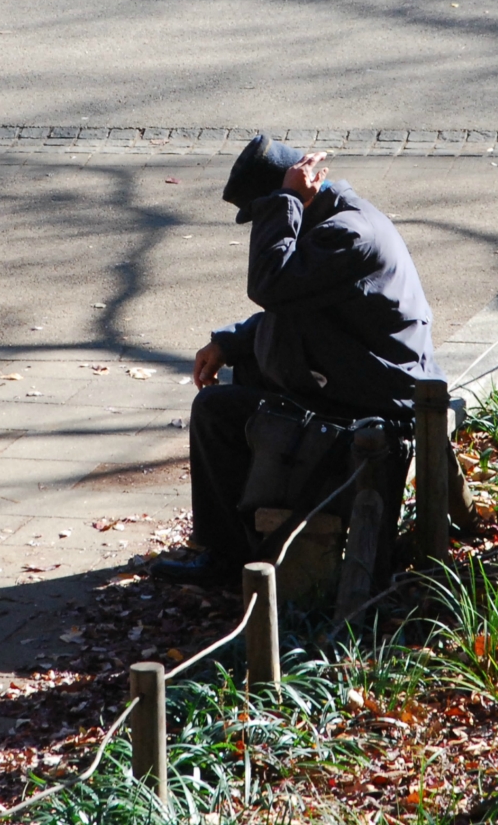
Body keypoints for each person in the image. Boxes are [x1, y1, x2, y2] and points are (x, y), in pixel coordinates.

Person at [151, 135, 440, 587]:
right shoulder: (336, 223)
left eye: (264, 213)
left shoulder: (348, 234)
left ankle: (228, 559)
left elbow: (271, 284)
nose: (259, 227)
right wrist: (229, 343)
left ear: (302, 194)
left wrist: (285, 200)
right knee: (247, 370)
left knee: (215, 412)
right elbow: (296, 304)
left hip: (376, 409)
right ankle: (244, 538)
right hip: (362, 382)